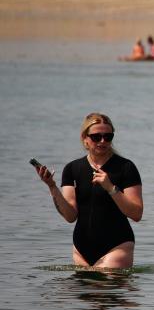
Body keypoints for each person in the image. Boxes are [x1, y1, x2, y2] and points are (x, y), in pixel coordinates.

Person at [32, 113, 144, 269]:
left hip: (117, 246)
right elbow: (70, 216)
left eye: (108, 136)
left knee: (106, 290)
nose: (103, 141)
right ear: (85, 138)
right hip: (81, 250)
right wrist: (52, 187)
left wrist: (111, 188)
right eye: (96, 137)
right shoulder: (72, 169)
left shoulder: (126, 168)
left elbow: (136, 213)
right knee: (84, 291)